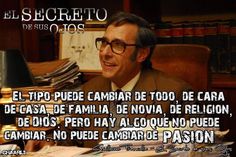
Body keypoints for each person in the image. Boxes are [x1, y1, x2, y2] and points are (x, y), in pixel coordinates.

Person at [25, 12, 191, 151]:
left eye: (117, 45)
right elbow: (70, 135)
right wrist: (48, 143)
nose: (105, 53)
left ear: (142, 54)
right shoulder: (89, 91)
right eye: (104, 43)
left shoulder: (176, 93)